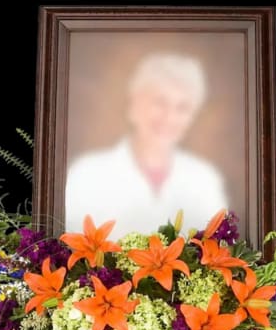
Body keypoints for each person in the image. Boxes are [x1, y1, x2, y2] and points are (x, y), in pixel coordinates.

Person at [65, 52, 229, 239]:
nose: (170, 117)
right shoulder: (87, 174)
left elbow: (220, 247)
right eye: (160, 102)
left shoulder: (205, 179)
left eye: (182, 107)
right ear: (133, 106)